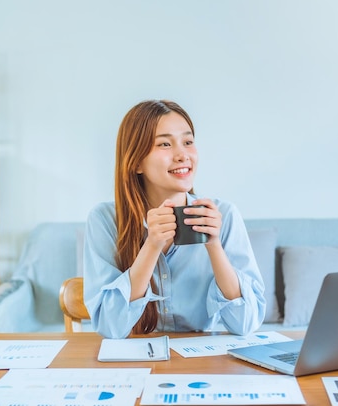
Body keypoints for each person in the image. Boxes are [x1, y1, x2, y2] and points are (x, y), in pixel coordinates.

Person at [83, 99, 266, 339]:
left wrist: (214, 245)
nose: (183, 155)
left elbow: (245, 324)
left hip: (202, 364)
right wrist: (151, 246)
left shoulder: (224, 214)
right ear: (136, 161)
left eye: (188, 142)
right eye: (165, 144)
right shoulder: (104, 220)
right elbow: (111, 327)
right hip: (135, 362)